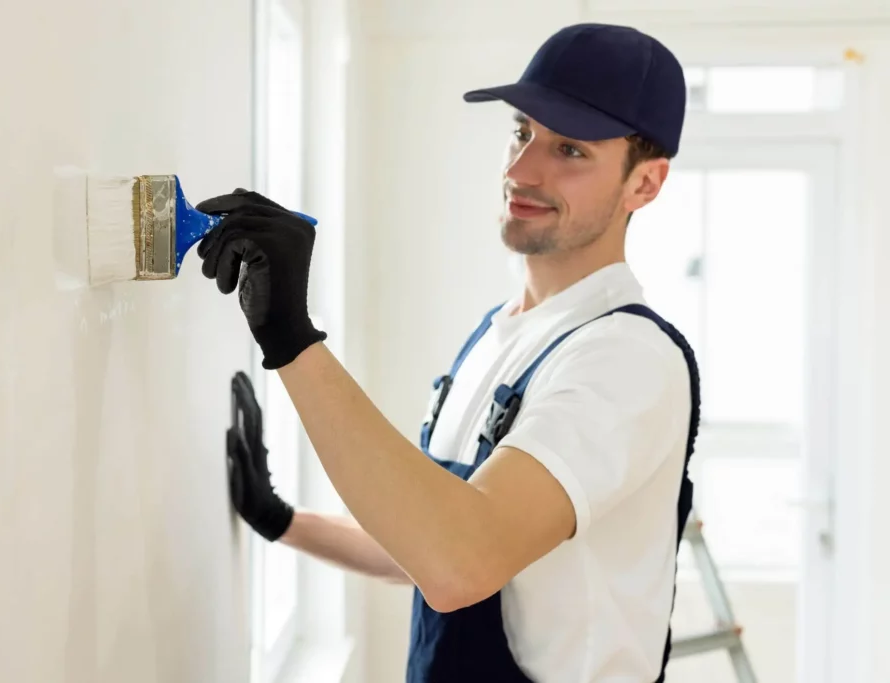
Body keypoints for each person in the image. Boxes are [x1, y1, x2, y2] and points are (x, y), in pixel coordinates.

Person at [197, 22, 699, 683]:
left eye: (570, 150)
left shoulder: (627, 359)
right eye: (522, 132)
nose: (521, 170)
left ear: (645, 185)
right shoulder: (501, 335)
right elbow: (425, 537)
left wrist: (292, 338)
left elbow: (462, 559)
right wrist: (281, 518)